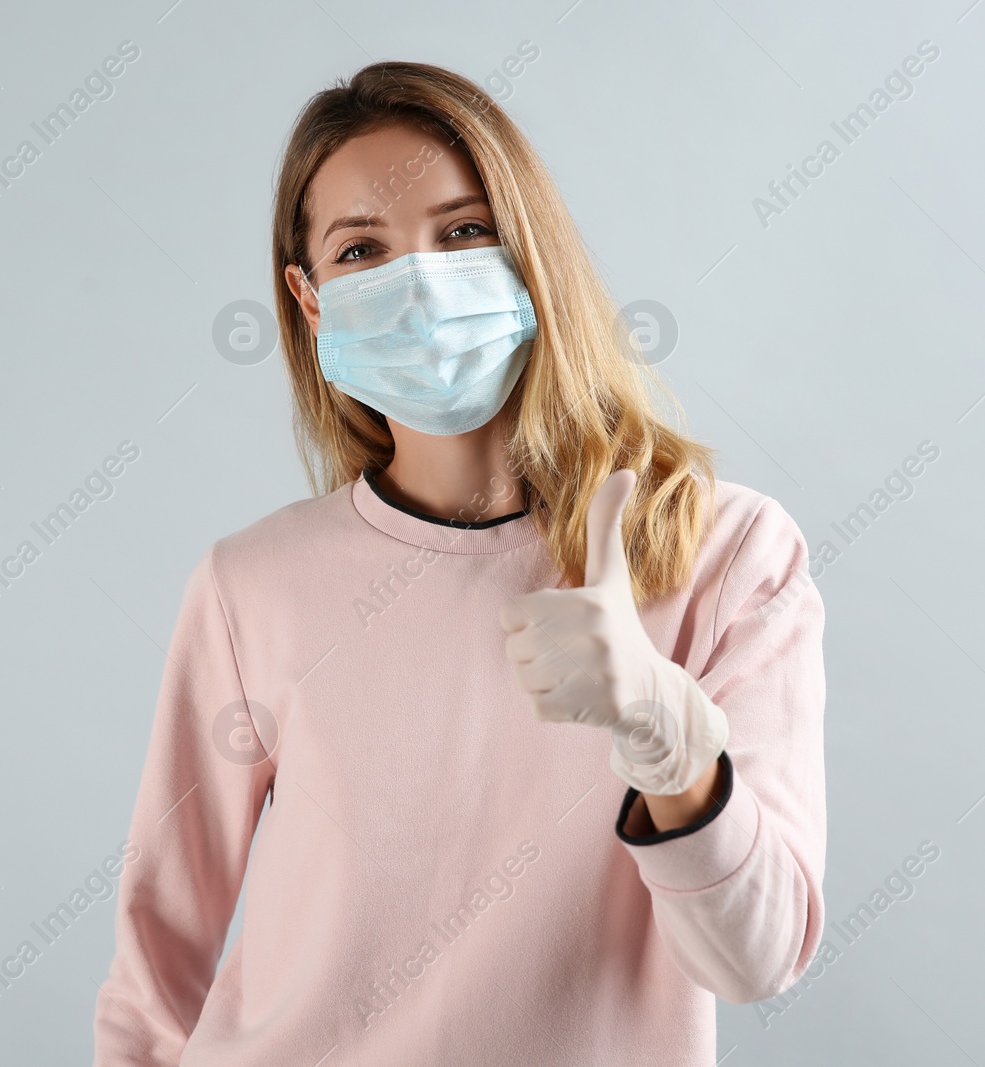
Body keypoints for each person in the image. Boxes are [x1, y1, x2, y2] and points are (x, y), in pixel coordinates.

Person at [93, 60, 826, 1066]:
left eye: (464, 230)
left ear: (529, 249)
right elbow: (153, 966)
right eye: (363, 249)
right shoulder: (248, 587)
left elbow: (760, 958)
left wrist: (666, 737)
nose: (423, 281)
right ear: (310, 301)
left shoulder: (726, 556)